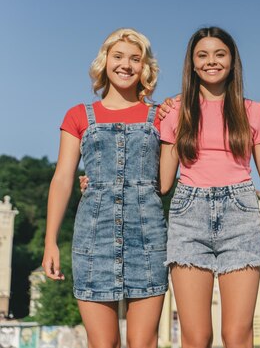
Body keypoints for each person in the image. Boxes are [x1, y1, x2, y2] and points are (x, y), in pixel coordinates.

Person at [42, 28, 167, 348]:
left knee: (144, 343)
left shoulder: (161, 116)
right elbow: (62, 178)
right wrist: (50, 241)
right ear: (105, 61)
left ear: (145, 68)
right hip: (93, 238)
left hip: (148, 238)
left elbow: (166, 181)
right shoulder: (78, 115)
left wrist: (177, 124)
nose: (126, 65)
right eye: (118, 56)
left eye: (135, 59)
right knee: (103, 344)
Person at [159, 27, 260, 348]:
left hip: (240, 214)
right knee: (196, 338)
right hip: (187, 214)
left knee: (236, 335)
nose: (212, 61)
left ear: (232, 60)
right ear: (192, 64)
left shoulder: (254, 112)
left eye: (220, 54)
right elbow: (163, 182)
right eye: (203, 55)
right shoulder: (175, 111)